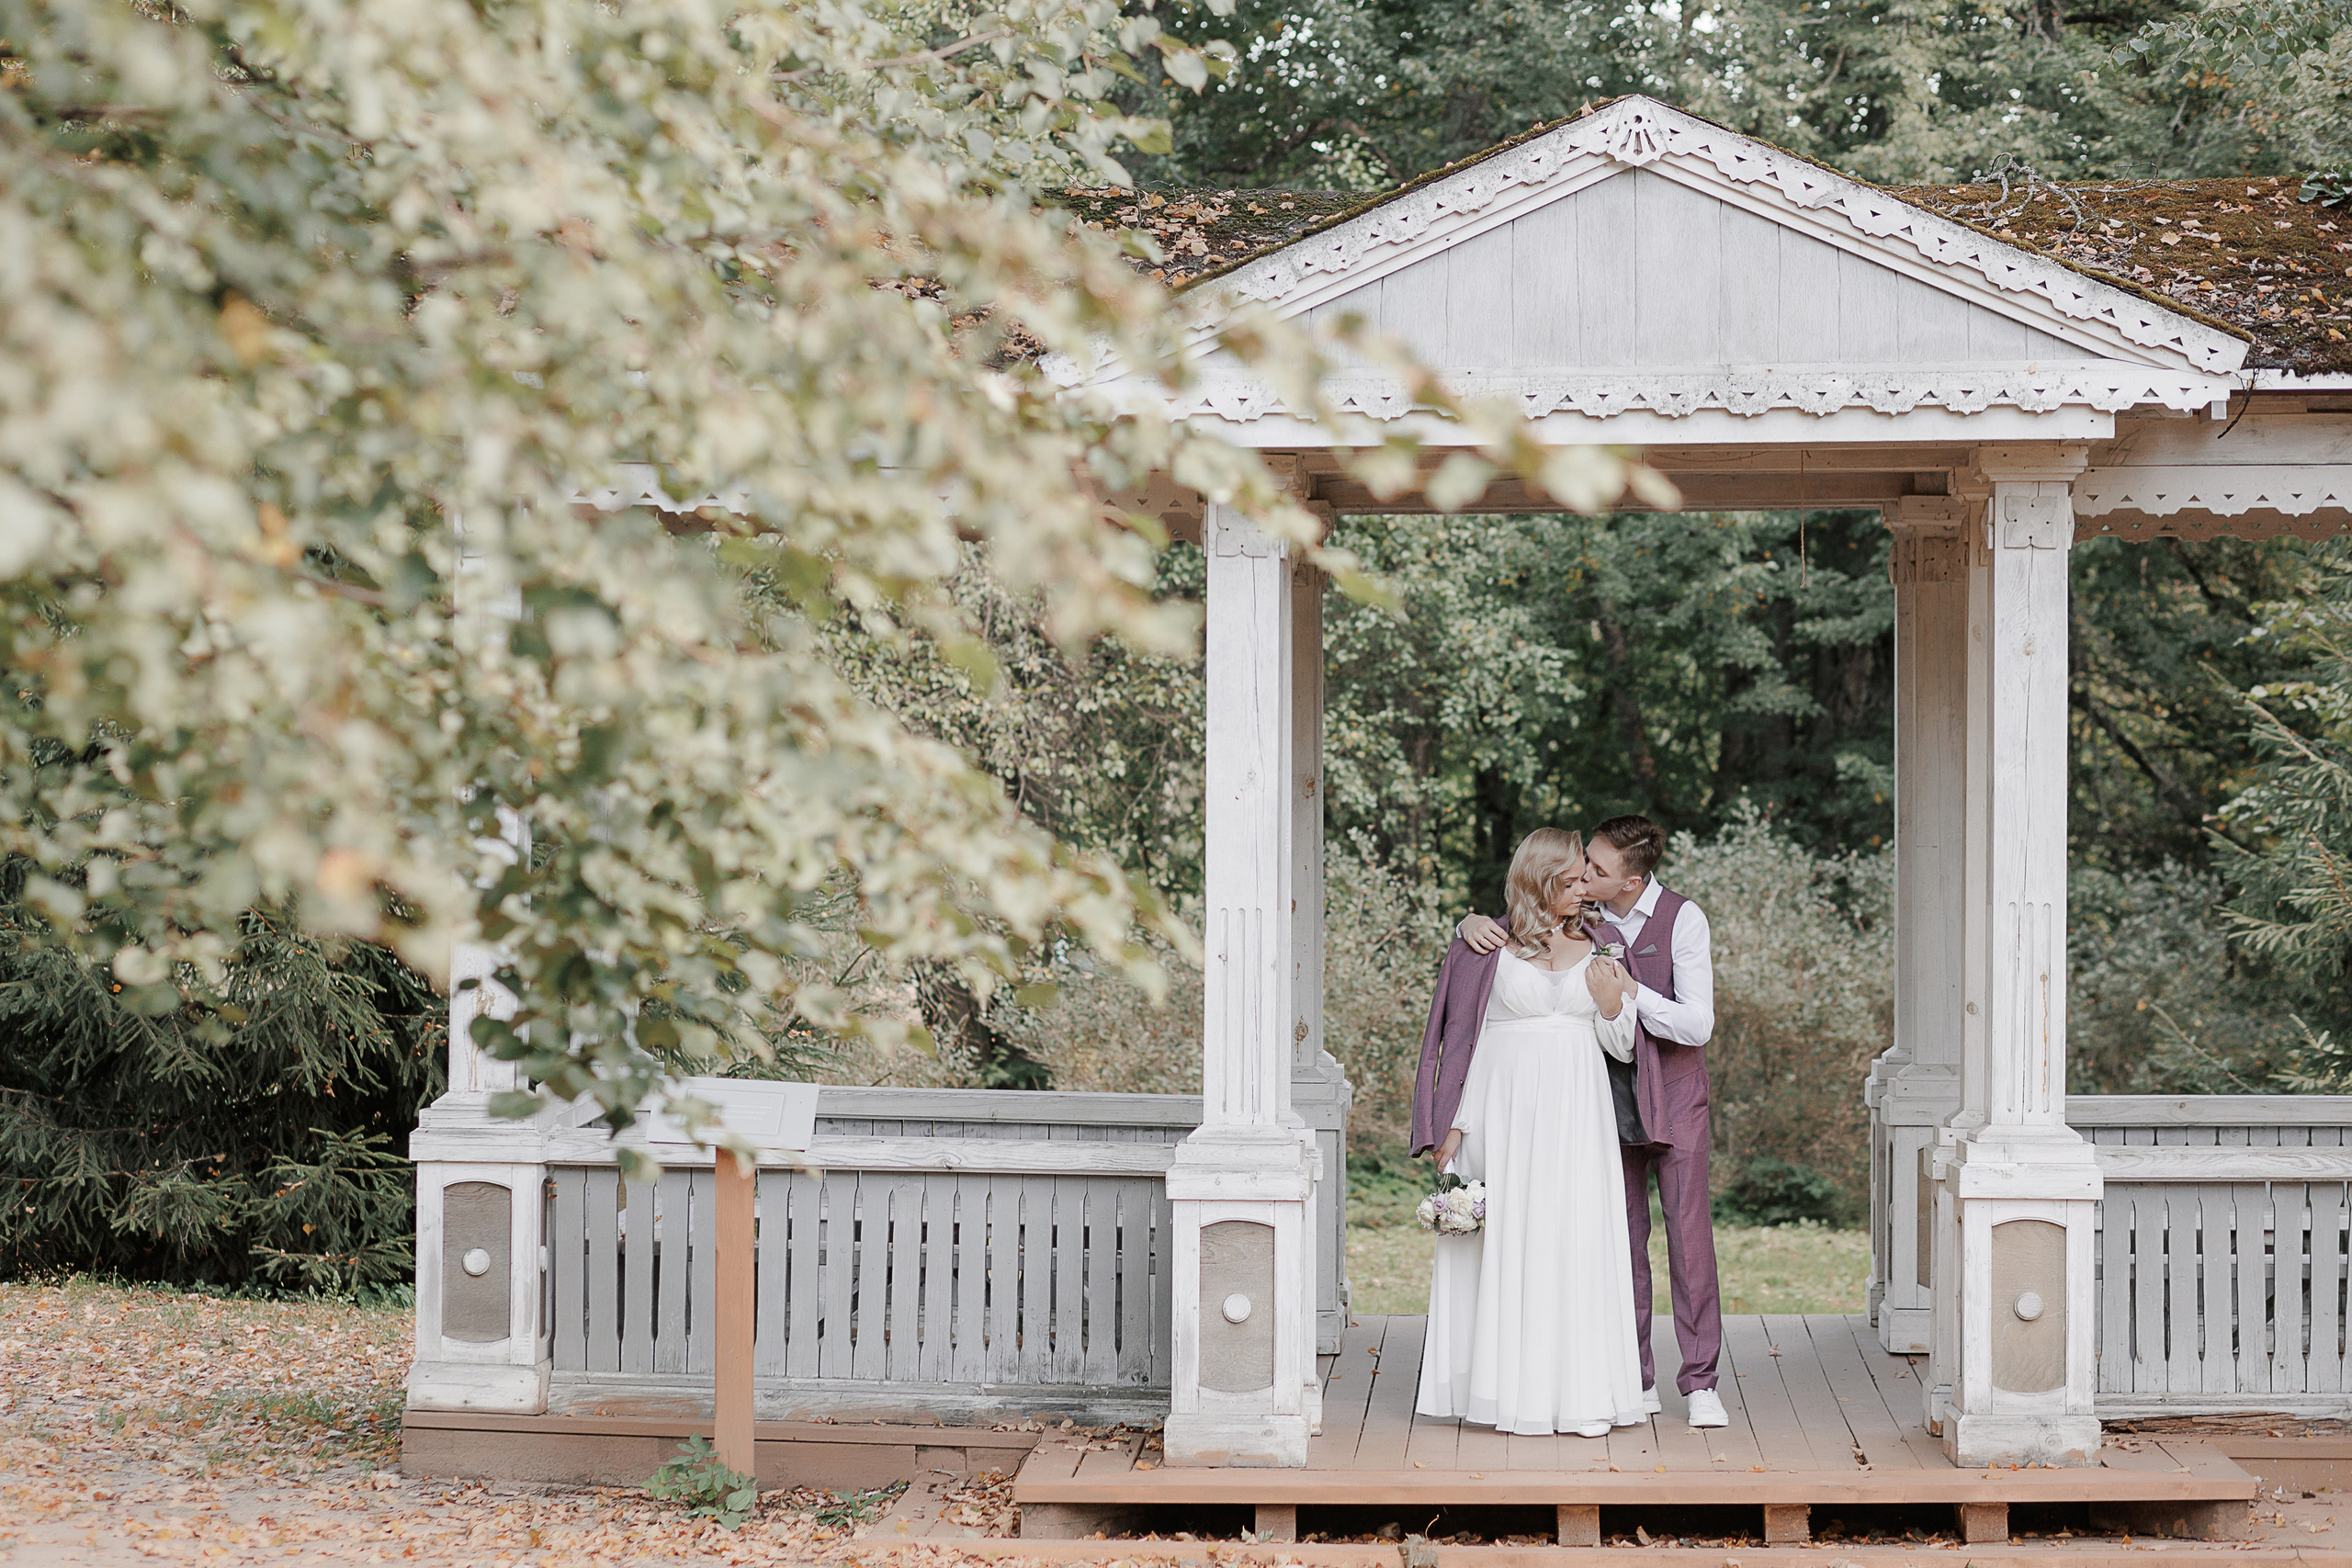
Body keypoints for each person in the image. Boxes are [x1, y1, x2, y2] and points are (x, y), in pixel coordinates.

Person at [1456, 815, 1725, 1430]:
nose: (1586, 876)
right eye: (1583, 869)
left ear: (1631, 880)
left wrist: (1631, 993)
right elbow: (1522, 926)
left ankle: (1701, 1380)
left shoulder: (1683, 919)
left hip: (1673, 1098)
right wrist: (1466, 922)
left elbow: (1697, 1024)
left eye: (1597, 871)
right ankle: (1634, 1374)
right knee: (1618, 1239)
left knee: (1687, 1239)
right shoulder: (1585, 921)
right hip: (1601, 1099)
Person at [1408, 828, 1647, 1438]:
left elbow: (1622, 1045)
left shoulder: (1604, 943)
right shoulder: (1484, 946)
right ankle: (1498, 1389)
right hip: (1503, 1113)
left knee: (1573, 1241)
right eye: (1569, 880)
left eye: (1583, 879)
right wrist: (1454, 1125)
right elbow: (1467, 1040)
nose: (1583, 889)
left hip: (1578, 1112)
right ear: (1538, 881)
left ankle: (1577, 1392)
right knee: (1503, 1243)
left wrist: (1613, 1004)